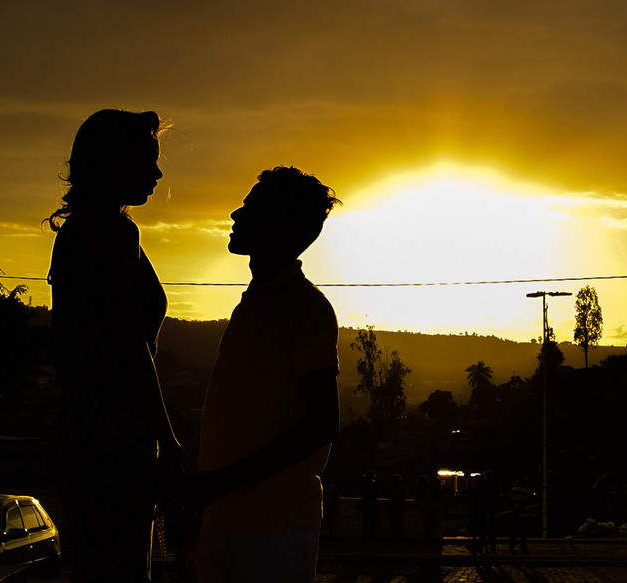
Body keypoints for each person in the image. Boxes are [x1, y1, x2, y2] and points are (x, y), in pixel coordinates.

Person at [44, 109, 183, 583]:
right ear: (114, 162)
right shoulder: (112, 233)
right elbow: (129, 347)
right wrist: (169, 441)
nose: (158, 173)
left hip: (83, 430)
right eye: (149, 159)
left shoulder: (80, 233)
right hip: (112, 437)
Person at [193, 166, 341, 583]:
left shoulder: (304, 308)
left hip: (273, 526)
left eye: (251, 208)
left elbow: (321, 423)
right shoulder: (258, 302)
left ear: (278, 225)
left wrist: (220, 482)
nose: (236, 215)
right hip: (229, 518)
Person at [508, 477, 533, 555]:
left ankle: (512, 546)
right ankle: (523, 547)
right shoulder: (525, 491)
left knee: (513, 531)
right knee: (523, 532)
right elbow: (524, 502)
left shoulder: (513, 490)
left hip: (514, 514)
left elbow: (510, 501)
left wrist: (514, 510)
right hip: (523, 514)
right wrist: (519, 509)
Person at [360, 471, 379, 540]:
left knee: (366, 520)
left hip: (366, 502)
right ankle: (372, 535)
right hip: (373, 502)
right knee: (373, 520)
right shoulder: (375, 484)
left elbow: (363, 493)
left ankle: (365, 535)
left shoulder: (365, 484)